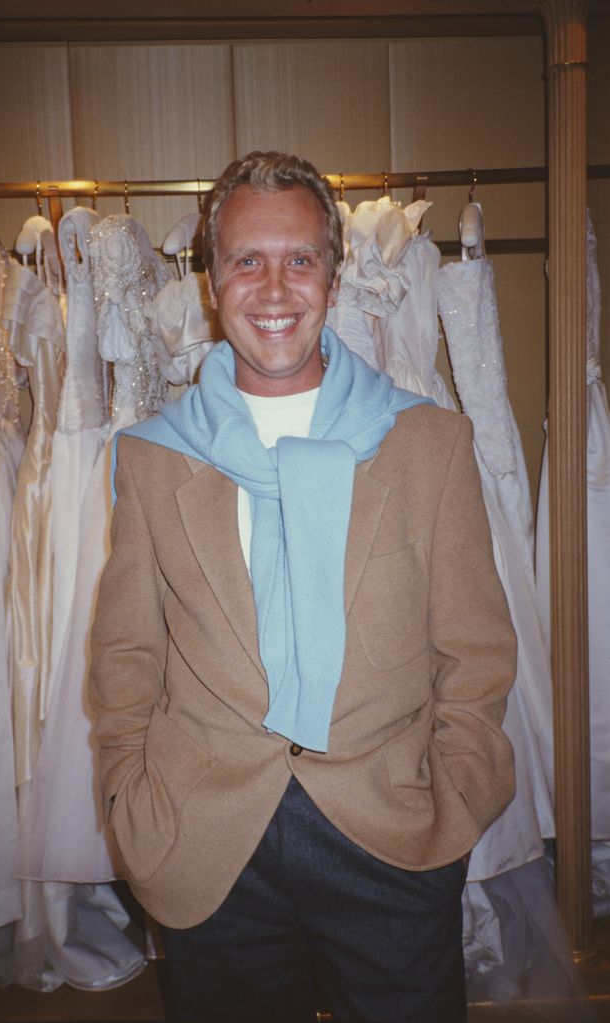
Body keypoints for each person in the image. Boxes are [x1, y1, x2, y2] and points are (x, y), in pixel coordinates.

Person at [89, 151, 516, 1023]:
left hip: (391, 835)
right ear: (212, 281)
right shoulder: (151, 455)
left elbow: (473, 655)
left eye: (298, 259)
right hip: (206, 843)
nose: (273, 286)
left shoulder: (429, 444)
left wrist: (453, 800)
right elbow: (126, 656)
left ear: (332, 272)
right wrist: (131, 802)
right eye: (246, 259)